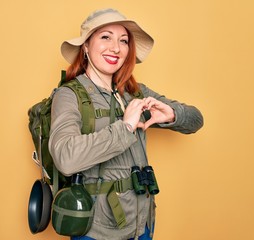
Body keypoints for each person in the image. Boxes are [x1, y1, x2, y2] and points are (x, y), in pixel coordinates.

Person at [48, 8, 203, 240]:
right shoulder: (69, 95)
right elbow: (65, 158)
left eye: (123, 40)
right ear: (86, 47)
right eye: (105, 37)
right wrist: (126, 127)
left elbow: (196, 119)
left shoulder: (134, 93)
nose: (116, 48)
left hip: (143, 225)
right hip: (97, 231)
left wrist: (171, 114)